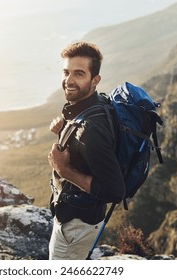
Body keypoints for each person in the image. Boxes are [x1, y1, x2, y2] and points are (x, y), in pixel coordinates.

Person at [47, 41, 125, 260]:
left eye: (79, 74)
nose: (68, 81)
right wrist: (65, 130)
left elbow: (114, 191)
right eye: (66, 72)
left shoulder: (91, 129)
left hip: (76, 227)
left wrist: (64, 170)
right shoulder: (96, 104)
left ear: (95, 80)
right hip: (78, 221)